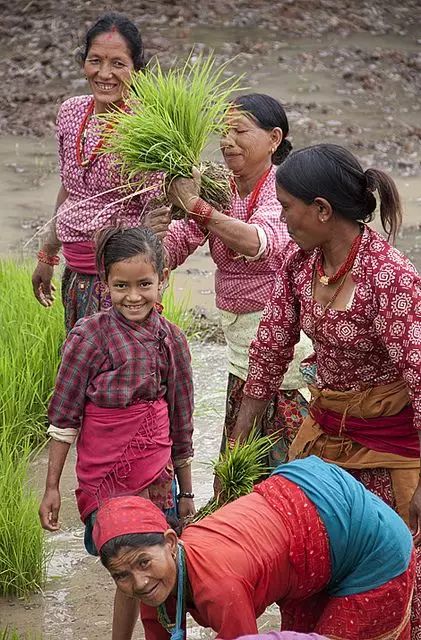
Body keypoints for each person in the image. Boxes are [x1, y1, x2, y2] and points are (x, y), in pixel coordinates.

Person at [231, 144, 421, 636]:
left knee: (385, 569)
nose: (283, 216)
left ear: (322, 210)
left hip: (389, 453)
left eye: (288, 207)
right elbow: (271, 346)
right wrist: (240, 433)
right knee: (316, 559)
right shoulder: (301, 266)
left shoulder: (390, 280)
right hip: (327, 442)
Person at [39, 226, 195, 639]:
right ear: (104, 283)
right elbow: (65, 418)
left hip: (157, 477)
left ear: (163, 280)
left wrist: (188, 494)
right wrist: (52, 486)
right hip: (106, 478)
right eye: (121, 285)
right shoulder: (88, 338)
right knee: (126, 567)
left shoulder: (172, 340)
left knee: (160, 567)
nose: (133, 296)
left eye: (145, 284)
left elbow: (181, 421)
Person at [148, 93, 311, 471]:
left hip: (285, 337)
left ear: (274, 138)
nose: (227, 141)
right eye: (222, 131)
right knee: (241, 457)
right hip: (239, 341)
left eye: (239, 130)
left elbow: (261, 242)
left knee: (286, 453)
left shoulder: (284, 188)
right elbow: (176, 247)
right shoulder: (220, 187)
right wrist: (153, 237)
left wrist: (196, 207)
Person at [93, 457, 415, 640]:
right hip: (304, 529)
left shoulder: (218, 590)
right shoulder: (155, 581)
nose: (138, 582)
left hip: (365, 546)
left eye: (142, 564)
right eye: (121, 576)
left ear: (171, 542)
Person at [31, 12, 168, 333]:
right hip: (76, 273)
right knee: (82, 363)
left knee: (121, 371)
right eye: (95, 60)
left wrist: (146, 279)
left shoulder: (147, 124)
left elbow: (160, 212)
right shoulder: (71, 111)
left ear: (136, 68)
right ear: (83, 63)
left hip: (124, 281)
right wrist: (48, 253)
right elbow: (69, 191)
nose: (104, 73)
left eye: (118, 63)